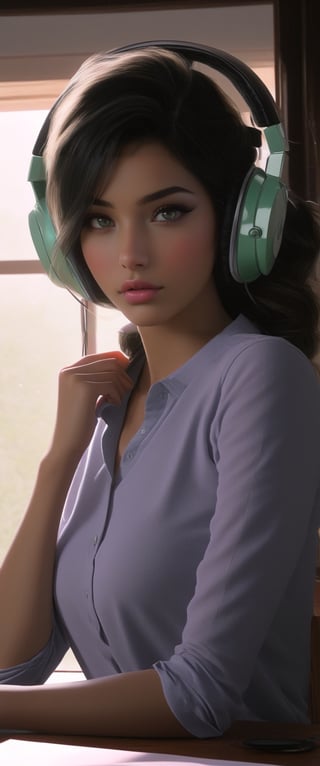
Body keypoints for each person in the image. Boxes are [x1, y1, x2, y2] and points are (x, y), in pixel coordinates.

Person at [1, 42, 320, 740]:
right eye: (98, 219)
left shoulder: (264, 378)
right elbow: (13, 665)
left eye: (167, 211)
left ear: (241, 219)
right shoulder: (113, 406)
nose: (130, 255)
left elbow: (200, 693)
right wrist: (59, 463)